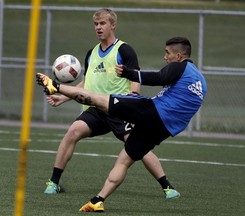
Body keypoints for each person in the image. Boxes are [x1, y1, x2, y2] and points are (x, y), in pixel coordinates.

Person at [36, 36, 207, 212]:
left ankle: (55, 86)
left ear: (179, 56)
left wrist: (128, 73)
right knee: (124, 160)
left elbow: (159, 77)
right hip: (163, 129)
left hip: (152, 112)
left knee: (99, 100)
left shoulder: (181, 66)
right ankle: (98, 200)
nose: (165, 57)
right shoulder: (201, 81)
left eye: (167, 53)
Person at [43, 8, 179, 200]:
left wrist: (134, 99)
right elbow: (86, 84)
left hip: (119, 109)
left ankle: (167, 186)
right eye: (96, 24)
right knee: (72, 132)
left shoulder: (124, 50)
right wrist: (63, 97)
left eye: (103, 23)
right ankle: (54, 182)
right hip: (95, 109)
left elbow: (135, 77)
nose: (98, 27)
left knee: (138, 144)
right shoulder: (91, 54)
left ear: (113, 25)